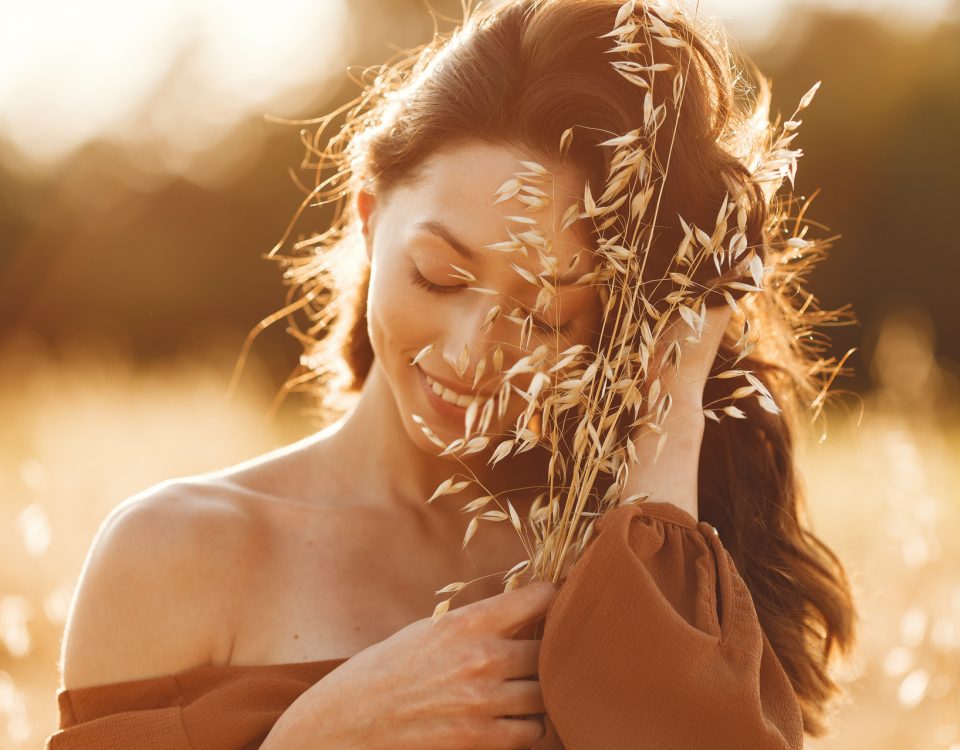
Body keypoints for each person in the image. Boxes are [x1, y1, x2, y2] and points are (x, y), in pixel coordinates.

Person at [46, 0, 858, 747]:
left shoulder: (634, 572)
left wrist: (674, 403)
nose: (473, 353)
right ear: (367, 218)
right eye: (439, 274)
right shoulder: (174, 554)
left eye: (545, 318)